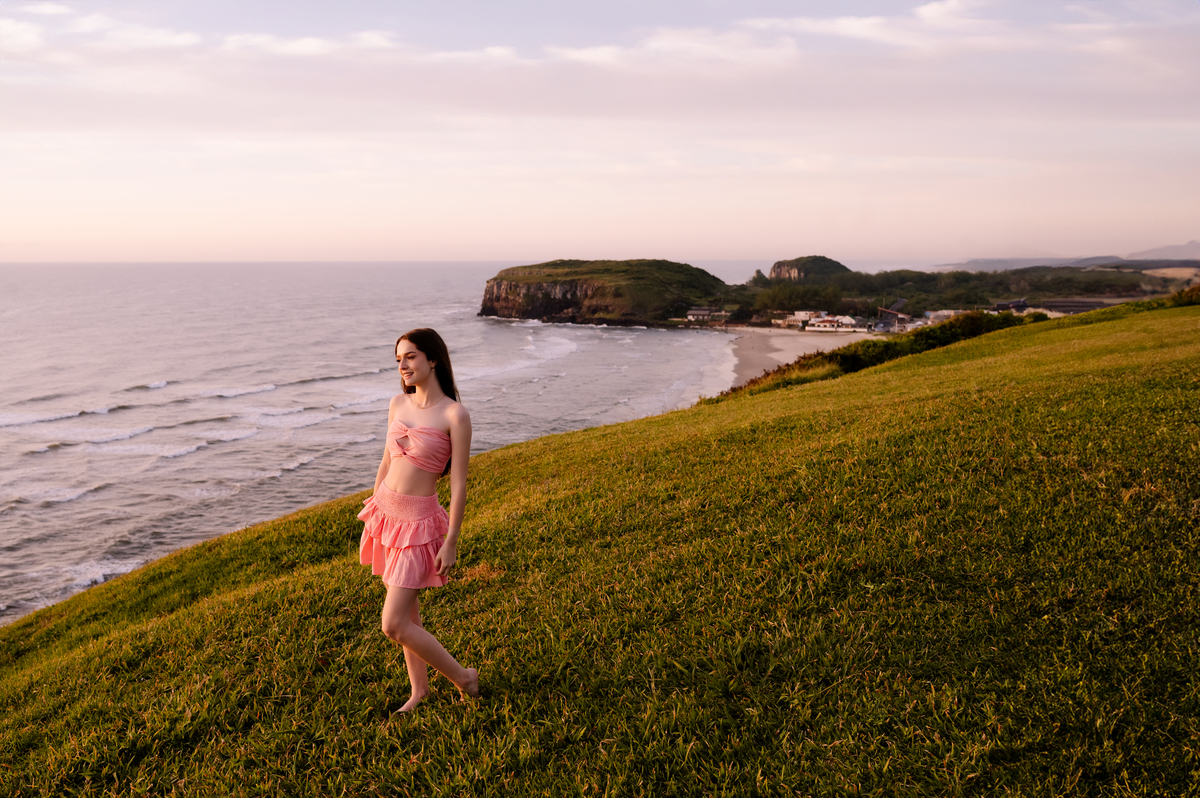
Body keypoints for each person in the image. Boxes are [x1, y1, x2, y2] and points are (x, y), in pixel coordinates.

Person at [358, 328, 479, 713]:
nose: (403, 366)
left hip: (418, 524)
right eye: (398, 360)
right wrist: (374, 510)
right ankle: (419, 691)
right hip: (386, 515)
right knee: (409, 615)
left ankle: (464, 677)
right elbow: (386, 460)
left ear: (433, 360)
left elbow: (458, 482)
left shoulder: (454, 414)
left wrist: (452, 539)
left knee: (393, 624)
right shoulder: (397, 403)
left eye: (410, 357)